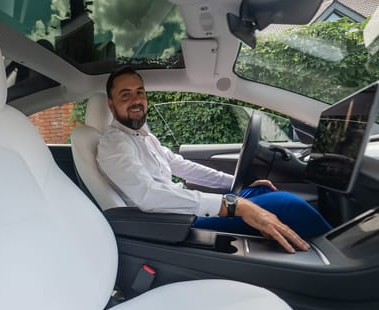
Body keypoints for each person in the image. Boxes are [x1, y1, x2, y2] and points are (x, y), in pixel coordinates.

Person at [96, 66, 332, 253]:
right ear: (111, 104)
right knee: (285, 205)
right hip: (175, 223)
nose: (136, 100)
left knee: (261, 195)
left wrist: (234, 184)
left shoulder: (142, 135)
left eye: (140, 92)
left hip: (183, 211)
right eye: (125, 95)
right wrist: (234, 204)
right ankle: (340, 259)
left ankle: (322, 245)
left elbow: (181, 165)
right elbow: (149, 196)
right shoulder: (114, 143)